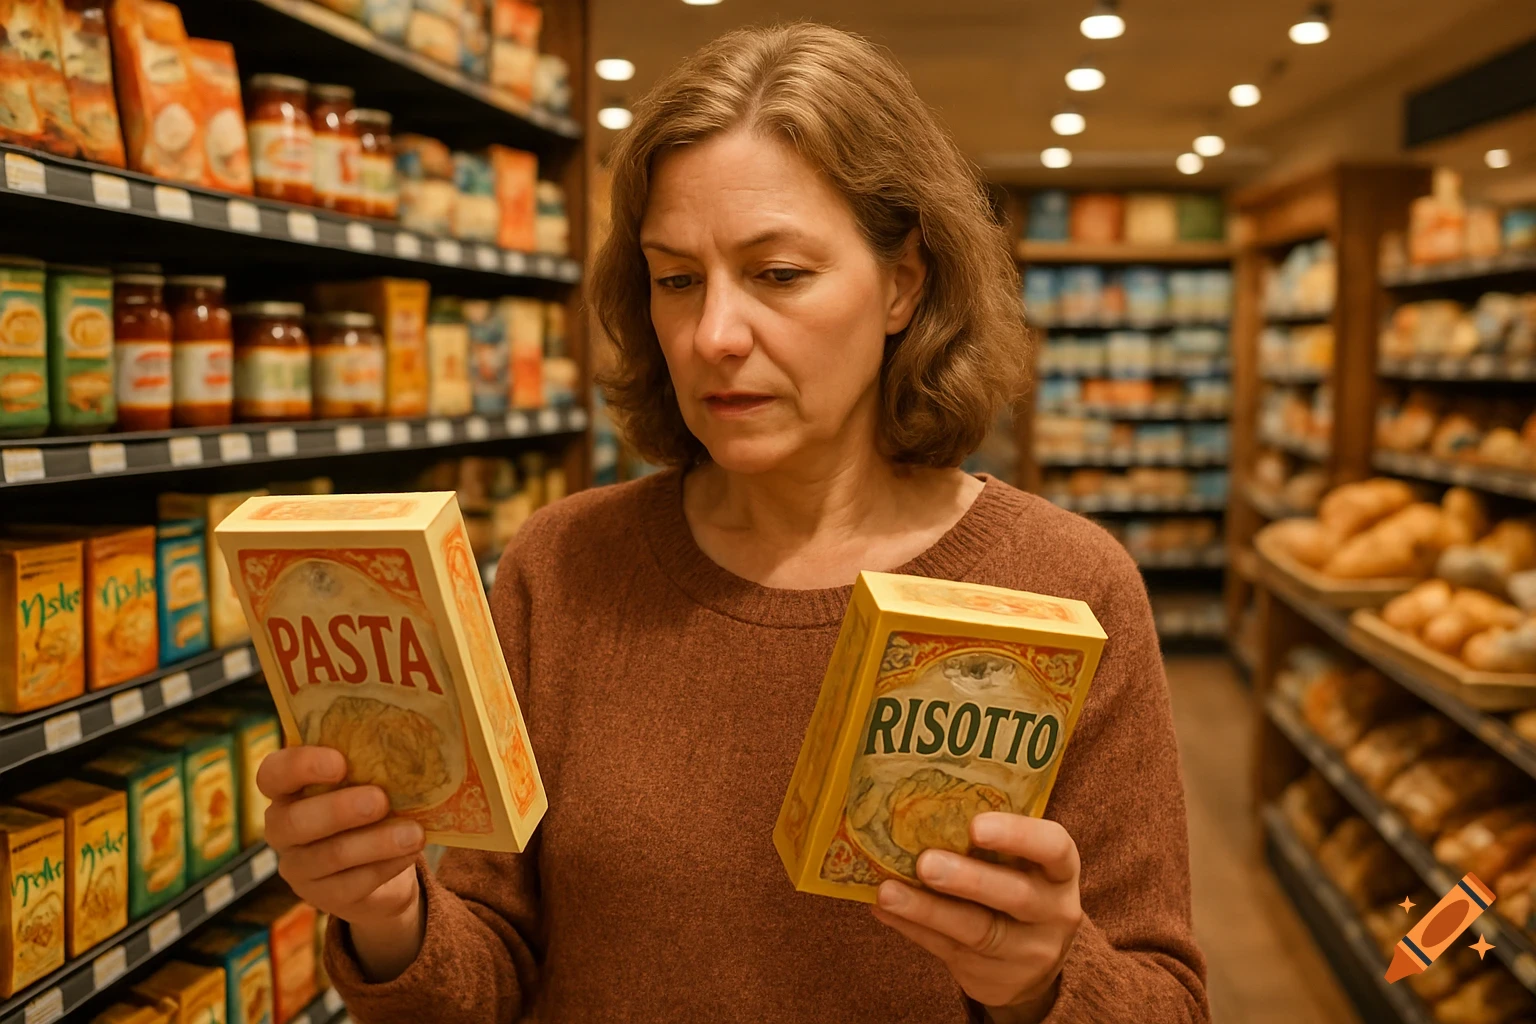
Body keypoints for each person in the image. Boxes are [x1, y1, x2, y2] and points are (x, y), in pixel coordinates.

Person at [257, 23, 1209, 1024]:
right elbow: (492, 962)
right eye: (676, 279)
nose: (713, 334)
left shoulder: (1064, 586)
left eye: (779, 274)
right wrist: (388, 911)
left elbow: (1164, 997)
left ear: (904, 280)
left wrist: (1039, 983)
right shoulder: (564, 567)